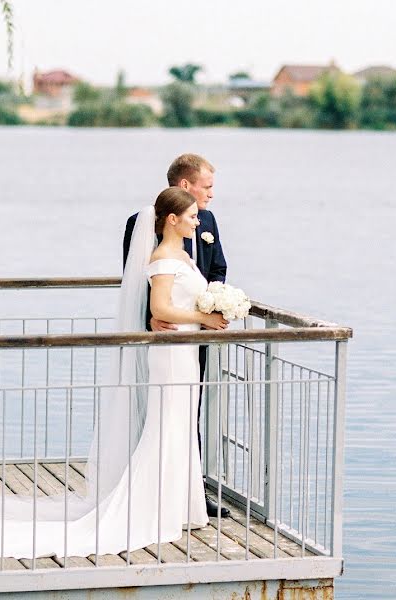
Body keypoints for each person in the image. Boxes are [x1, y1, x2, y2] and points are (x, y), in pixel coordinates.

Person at [0, 189, 226, 558]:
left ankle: (182, 505)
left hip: (184, 351)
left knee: (180, 426)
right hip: (170, 354)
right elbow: (161, 308)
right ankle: (156, 506)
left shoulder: (181, 254)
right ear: (172, 219)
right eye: (191, 216)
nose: (196, 221)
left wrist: (213, 306)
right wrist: (203, 317)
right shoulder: (163, 258)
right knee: (166, 426)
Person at [123, 153, 230, 519]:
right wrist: (152, 319)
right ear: (186, 186)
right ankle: (153, 494)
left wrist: (218, 300)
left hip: (193, 338)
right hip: (165, 336)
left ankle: (189, 493)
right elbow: (136, 281)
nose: (211, 197)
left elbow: (218, 268)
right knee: (161, 414)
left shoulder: (209, 220)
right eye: (208, 186)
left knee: (187, 415)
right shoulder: (140, 226)